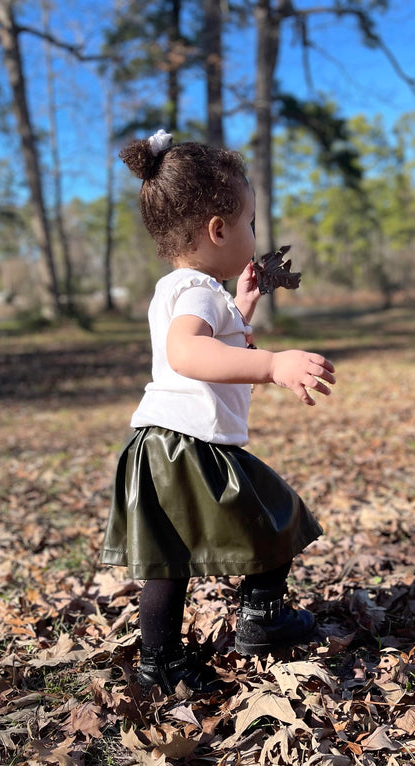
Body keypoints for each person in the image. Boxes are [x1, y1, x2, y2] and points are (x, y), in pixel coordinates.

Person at [101, 129, 336, 697]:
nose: (254, 235)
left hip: (158, 443)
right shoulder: (201, 292)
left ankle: (159, 662)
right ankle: (261, 616)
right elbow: (189, 353)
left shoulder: (183, 289)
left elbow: (215, 342)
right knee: (278, 514)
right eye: (250, 222)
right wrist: (274, 365)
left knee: (168, 557)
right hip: (188, 445)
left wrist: (244, 310)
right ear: (218, 229)